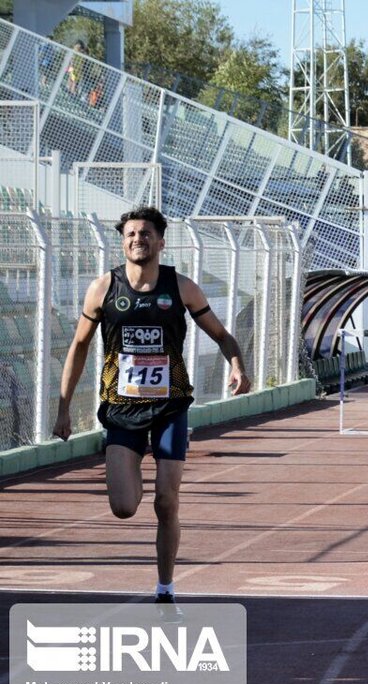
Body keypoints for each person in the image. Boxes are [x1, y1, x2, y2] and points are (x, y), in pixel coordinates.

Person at [53, 206, 250, 621]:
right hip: (121, 409)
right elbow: (80, 346)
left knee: (166, 500)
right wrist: (64, 407)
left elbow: (221, 335)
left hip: (169, 407)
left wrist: (236, 364)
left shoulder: (181, 287)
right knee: (124, 508)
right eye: (130, 234)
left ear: (161, 241)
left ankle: (164, 588)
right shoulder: (103, 289)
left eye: (145, 233)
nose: (137, 239)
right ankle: (133, 467)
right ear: (122, 241)